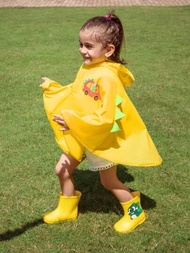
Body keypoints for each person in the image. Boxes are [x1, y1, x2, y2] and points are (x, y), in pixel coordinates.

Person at [40, 11, 162, 233]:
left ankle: (135, 212)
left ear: (108, 50)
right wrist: (55, 88)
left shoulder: (107, 77)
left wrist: (72, 121)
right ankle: (67, 208)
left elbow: (106, 115)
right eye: (80, 44)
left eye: (88, 46)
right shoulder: (88, 67)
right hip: (81, 132)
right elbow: (79, 93)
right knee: (62, 170)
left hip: (100, 136)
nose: (82, 50)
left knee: (109, 182)